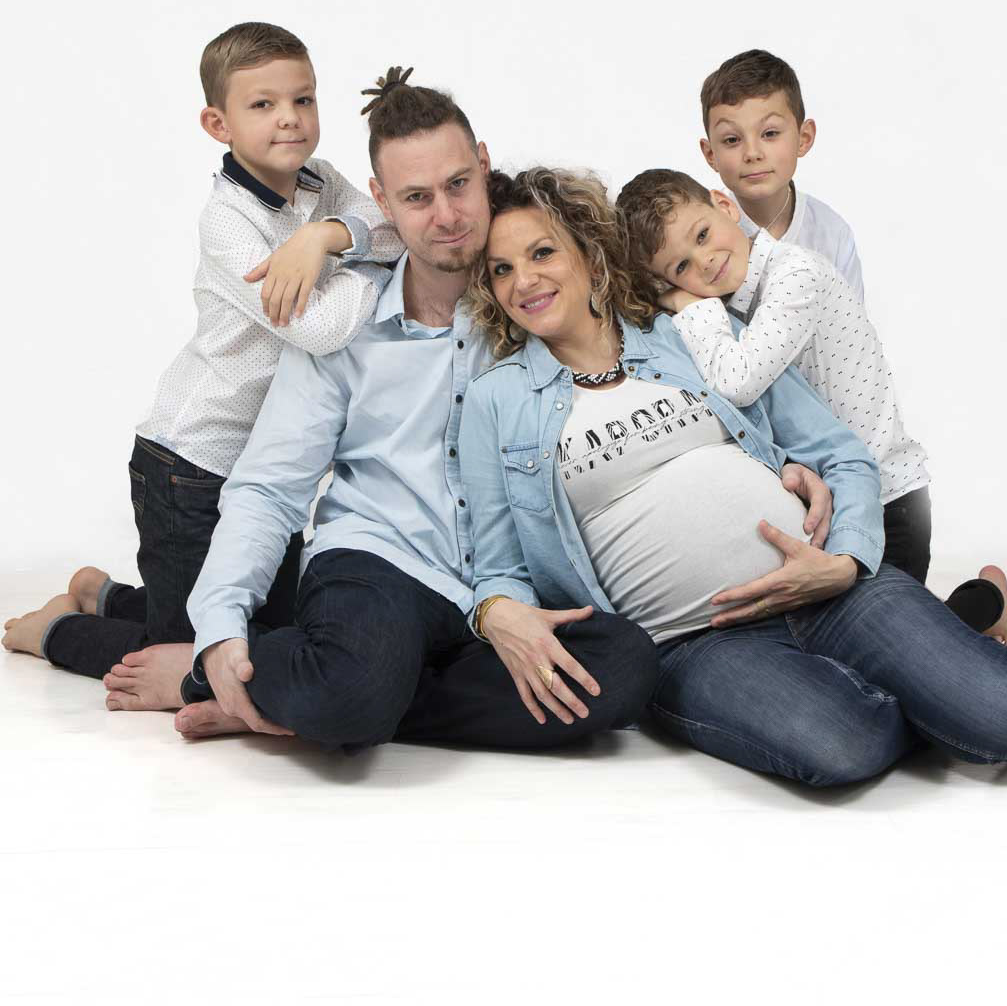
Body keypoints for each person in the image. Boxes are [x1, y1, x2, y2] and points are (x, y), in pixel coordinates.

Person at [458, 166, 1007, 788]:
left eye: (542, 252)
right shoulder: (496, 400)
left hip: (827, 588)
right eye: (501, 269)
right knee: (846, 748)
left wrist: (843, 561)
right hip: (693, 642)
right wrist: (494, 612)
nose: (525, 280)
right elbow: (497, 565)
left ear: (589, 254)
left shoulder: (687, 333)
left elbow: (840, 454)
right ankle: (957, 658)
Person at [168, 68, 656, 749]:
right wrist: (220, 628)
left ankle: (326, 691)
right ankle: (282, 681)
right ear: (380, 202)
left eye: (459, 184)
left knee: (627, 667)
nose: (447, 217)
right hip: (378, 563)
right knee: (353, 693)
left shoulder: (535, 299)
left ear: (484, 165)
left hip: (502, 587)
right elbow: (271, 489)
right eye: (417, 198)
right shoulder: (345, 321)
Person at [3, 22, 403, 699]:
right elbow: (322, 327)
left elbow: (392, 224)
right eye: (263, 104)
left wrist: (324, 239)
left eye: (303, 100)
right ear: (218, 124)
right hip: (191, 465)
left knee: (267, 630)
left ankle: (107, 595)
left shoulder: (321, 182)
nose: (289, 118)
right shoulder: (228, 221)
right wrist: (371, 266)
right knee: (193, 656)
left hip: (263, 472)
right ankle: (53, 631)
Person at [616, 167, 1007, 640]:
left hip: (887, 499)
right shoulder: (731, 304)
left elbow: (737, 383)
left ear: (724, 206)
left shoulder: (796, 275)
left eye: (702, 235)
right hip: (826, 501)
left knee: (898, 645)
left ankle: (987, 598)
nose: (704, 261)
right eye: (681, 267)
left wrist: (690, 305)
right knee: (849, 644)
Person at [699, 48, 863, 299]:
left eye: (770, 134)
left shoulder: (832, 234)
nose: (752, 153)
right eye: (732, 140)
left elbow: (853, 320)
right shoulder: (699, 233)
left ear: (803, 138)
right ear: (711, 154)